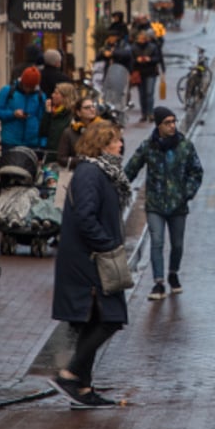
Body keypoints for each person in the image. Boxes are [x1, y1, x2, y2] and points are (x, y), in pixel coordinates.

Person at [50, 120, 131, 408]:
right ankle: (70, 373)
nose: (121, 145)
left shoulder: (101, 172)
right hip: (89, 261)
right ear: (101, 145)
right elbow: (85, 217)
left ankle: (83, 389)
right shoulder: (90, 173)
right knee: (109, 318)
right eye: (115, 142)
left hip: (93, 257)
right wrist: (107, 244)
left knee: (96, 320)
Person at [124, 107, 204, 300]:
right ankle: (158, 283)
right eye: (167, 122)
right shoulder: (148, 146)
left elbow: (196, 171)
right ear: (158, 125)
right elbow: (131, 169)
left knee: (177, 244)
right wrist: (118, 185)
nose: (172, 126)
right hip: (155, 204)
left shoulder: (185, 146)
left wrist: (187, 193)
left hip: (178, 205)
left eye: (174, 121)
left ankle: (173, 274)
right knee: (157, 241)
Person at [0, 66, 46, 149]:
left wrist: (42, 143)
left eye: (31, 87)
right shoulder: (8, 91)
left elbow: (43, 121)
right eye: (26, 86)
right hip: (10, 141)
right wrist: (13, 114)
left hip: (32, 143)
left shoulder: (40, 97)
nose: (28, 90)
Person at [129, 30, 163, 123]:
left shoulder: (153, 47)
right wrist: (137, 60)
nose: (142, 40)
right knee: (142, 94)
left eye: (144, 38)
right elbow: (130, 60)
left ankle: (150, 113)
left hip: (150, 72)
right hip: (139, 73)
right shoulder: (133, 48)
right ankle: (144, 113)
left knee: (149, 93)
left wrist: (150, 59)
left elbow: (158, 58)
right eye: (141, 38)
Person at [40, 82, 79, 155]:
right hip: (49, 154)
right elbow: (43, 132)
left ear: (65, 96)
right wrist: (47, 113)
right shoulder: (53, 112)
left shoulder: (72, 116)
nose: (52, 95)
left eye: (56, 93)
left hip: (63, 157)